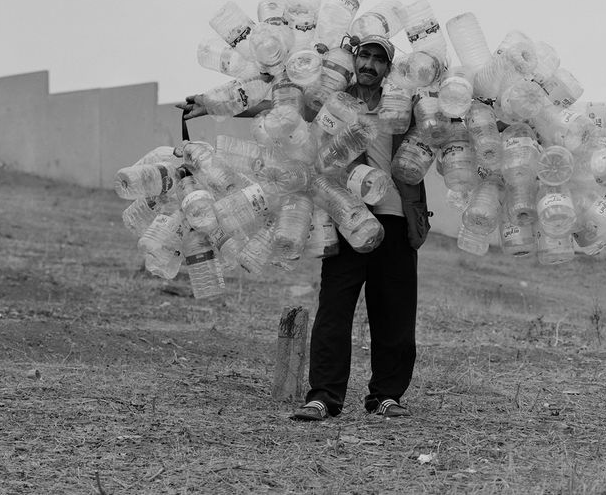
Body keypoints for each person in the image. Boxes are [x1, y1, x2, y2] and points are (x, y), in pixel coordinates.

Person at [177, 35, 431, 421]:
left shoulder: (404, 104)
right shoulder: (332, 100)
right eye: (366, 55)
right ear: (355, 58)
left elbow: (450, 121)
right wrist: (209, 104)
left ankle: (386, 395)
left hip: (396, 219)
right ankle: (325, 397)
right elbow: (280, 111)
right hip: (345, 216)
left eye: (380, 59)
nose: (371, 65)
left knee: (394, 313)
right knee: (334, 308)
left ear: (388, 68)